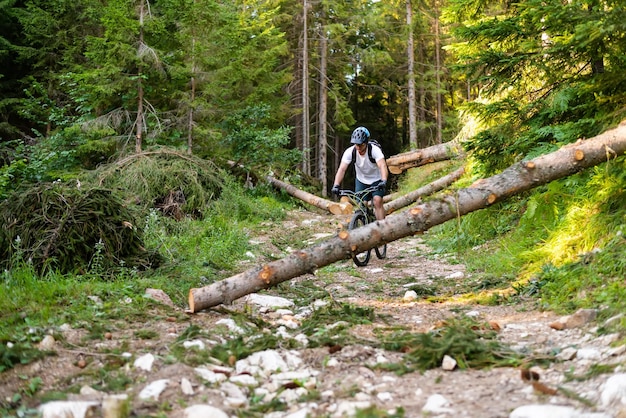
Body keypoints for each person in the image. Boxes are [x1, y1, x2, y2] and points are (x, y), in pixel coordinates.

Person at [331, 126, 389, 221]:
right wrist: (336, 185)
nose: (358, 148)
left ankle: (383, 228)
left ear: (366, 143)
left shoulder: (374, 150)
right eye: (356, 145)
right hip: (361, 180)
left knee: (377, 201)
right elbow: (342, 169)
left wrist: (384, 180)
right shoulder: (350, 152)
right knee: (361, 205)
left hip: (377, 180)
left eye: (361, 145)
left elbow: (382, 166)